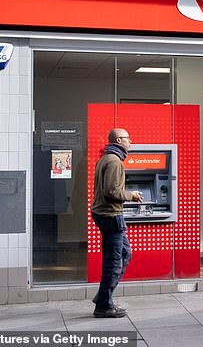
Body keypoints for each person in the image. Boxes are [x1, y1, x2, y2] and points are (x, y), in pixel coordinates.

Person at [91, 128, 143, 318]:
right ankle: (104, 305)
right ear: (119, 140)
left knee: (124, 253)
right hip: (111, 215)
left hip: (104, 214)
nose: (131, 142)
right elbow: (111, 191)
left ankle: (103, 296)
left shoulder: (106, 158)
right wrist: (132, 195)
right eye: (128, 138)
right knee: (114, 261)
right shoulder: (114, 161)